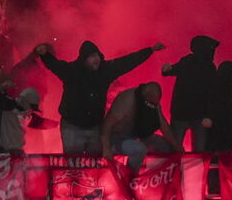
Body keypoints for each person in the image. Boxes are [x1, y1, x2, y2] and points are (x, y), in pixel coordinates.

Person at [35, 40, 165, 155]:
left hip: (95, 127)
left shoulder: (105, 70)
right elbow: (55, 65)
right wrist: (45, 55)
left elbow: (128, 62)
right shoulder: (71, 71)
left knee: (96, 166)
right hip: (72, 127)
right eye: (92, 56)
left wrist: (150, 50)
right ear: (84, 59)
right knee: (74, 164)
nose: (96, 59)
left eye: (97, 55)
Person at [163, 36, 232, 152]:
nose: (212, 53)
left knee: (193, 151)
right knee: (186, 150)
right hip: (186, 116)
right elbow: (222, 85)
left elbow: (220, 87)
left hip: (193, 116)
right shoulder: (192, 64)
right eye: (210, 49)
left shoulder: (207, 67)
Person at [101, 82, 182, 169]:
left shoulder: (153, 103)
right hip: (118, 137)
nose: (153, 106)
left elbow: (163, 125)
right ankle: (130, 177)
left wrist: (175, 145)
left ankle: (155, 176)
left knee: (166, 147)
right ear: (146, 95)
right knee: (139, 149)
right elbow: (107, 124)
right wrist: (106, 147)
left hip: (139, 135)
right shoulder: (127, 99)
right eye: (151, 103)